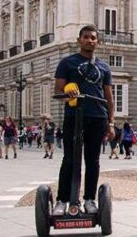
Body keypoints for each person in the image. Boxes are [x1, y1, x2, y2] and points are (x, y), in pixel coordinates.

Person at [52, 25, 116, 217]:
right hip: (74, 116)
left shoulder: (104, 67)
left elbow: (109, 97)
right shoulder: (67, 63)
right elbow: (58, 91)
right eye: (86, 37)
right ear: (79, 40)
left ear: (98, 42)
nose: (90, 40)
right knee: (70, 159)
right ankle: (62, 200)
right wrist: (67, 94)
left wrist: (111, 123)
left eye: (93, 38)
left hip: (97, 117)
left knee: (92, 160)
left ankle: (89, 199)